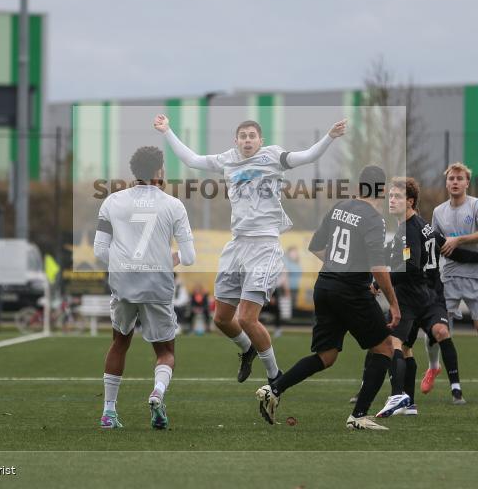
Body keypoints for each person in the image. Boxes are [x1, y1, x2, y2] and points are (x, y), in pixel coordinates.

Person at [154, 113, 347, 388]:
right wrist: (167, 130)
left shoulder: (273, 157)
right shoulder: (227, 159)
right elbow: (192, 160)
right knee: (221, 319)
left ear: (260, 140)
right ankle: (247, 350)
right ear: (236, 140)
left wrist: (329, 136)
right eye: (242, 136)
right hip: (237, 245)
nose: (247, 140)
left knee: (246, 317)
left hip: (265, 245)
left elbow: (307, 157)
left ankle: (274, 377)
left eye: (252, 136)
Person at [255, 166, 408, 431]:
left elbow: (315, 246)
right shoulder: (374, 218)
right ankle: (358, 416)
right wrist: (394, 303)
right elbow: (378, 267)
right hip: (350, 291)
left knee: (326, 356)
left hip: (325, 286)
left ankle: (274, 389)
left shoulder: (339, 207)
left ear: (360, 186)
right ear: (381, 190)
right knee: (384, 347)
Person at [373, 177, 478, 415]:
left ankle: (396, 397)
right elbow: (450, 249)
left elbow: (410, 267)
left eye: (397, 197)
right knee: (406, 347)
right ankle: (410, 403)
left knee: (393, 345)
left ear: (410, 202)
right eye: (390, 196)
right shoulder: (425, 226)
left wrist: (379, 285)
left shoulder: (408, 231)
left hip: (410, 298)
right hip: (427, 296)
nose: (391, 201)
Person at [93, 146, 196, 430]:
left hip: (123, 284)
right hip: (157, 286)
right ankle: (157, 394)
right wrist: (166, 259)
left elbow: (100, 250)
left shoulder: (112, 201)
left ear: (133, 172)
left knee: (119, 342)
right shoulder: (174, 206)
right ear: (160, 172)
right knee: (165, 352)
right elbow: (188, 258)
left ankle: (108, 413)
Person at [427, 162, 478, 404]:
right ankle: (433, 367)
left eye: (459, 178)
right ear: (446, 183)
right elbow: (436, 246)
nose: (455, 182)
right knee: (437, 328)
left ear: (466, 183)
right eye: (451, 178)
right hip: (450, 277)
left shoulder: (477, 205)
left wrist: (458, 240)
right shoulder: (438, 212)